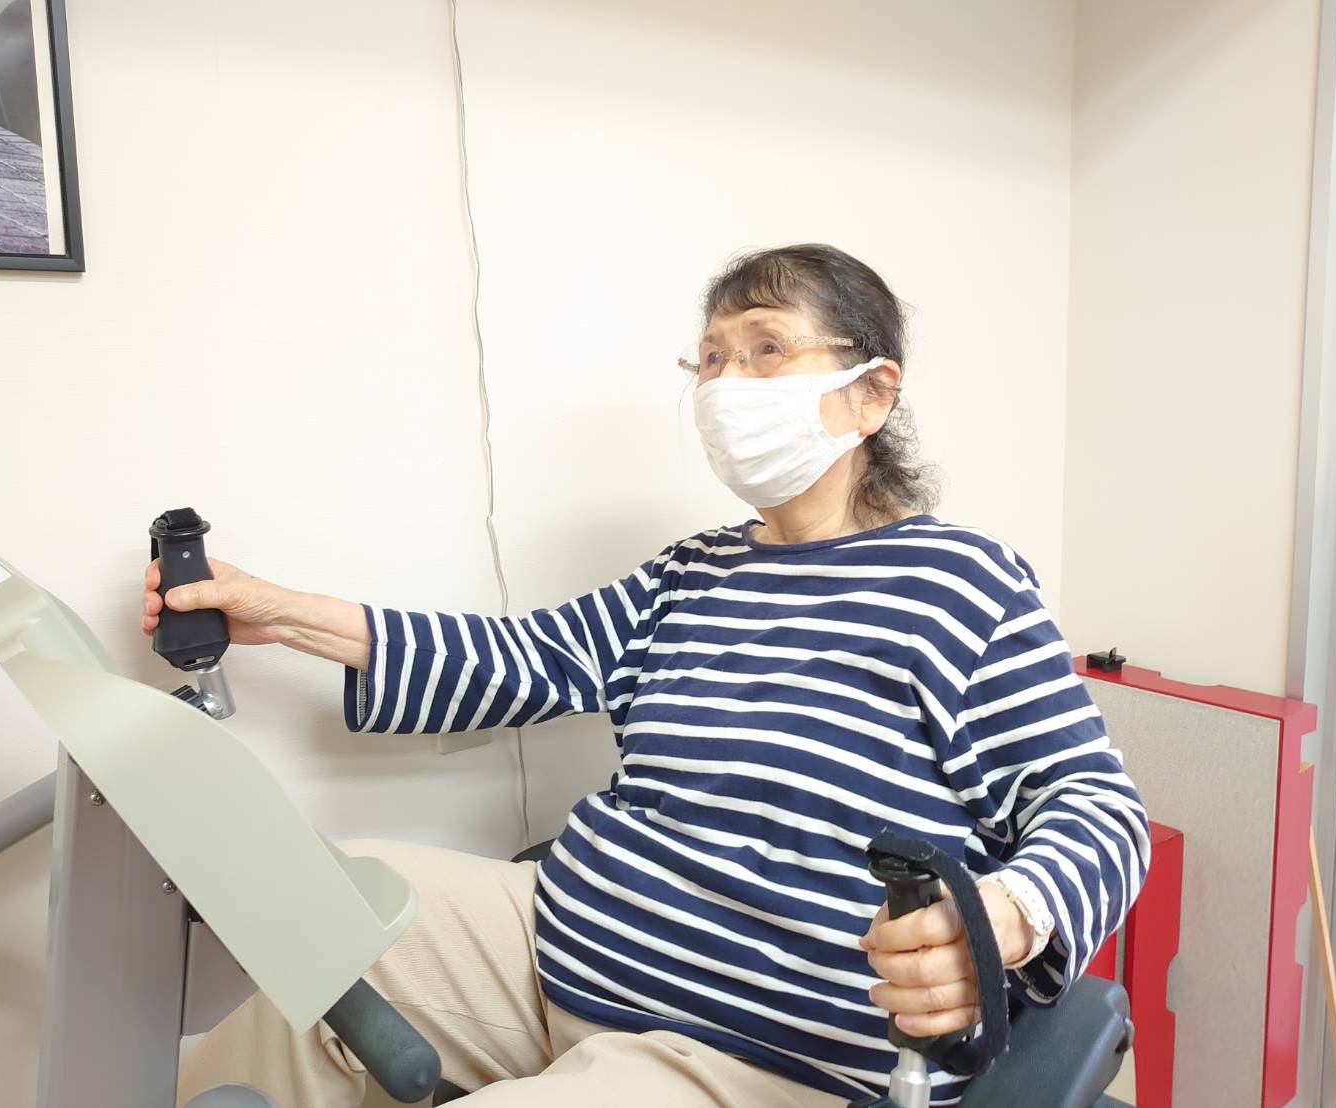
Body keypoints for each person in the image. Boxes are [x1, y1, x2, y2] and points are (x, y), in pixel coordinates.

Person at [160, 244, 1149, 1108]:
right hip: (562, 946)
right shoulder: (693, 571)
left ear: (870, 394)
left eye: (766, 348)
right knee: (333, 925)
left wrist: (1004, 918)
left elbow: (1097, 805)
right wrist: (279, 613)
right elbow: (524, 658)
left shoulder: (958, 583)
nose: (726, 383)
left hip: (751, 1047)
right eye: (711, 359)